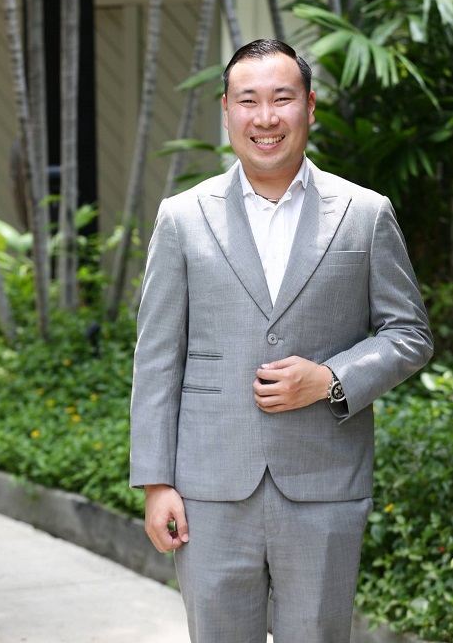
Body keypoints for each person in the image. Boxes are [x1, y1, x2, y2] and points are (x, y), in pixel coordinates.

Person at [130, 39, 433, 643]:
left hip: (324, 486)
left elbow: (410, 333)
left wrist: (331, 379)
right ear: (226, 110)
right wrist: (156, 483)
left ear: (310, 107)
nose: (265, 117)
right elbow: (158, 358)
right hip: (209, 492)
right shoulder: (182, 217)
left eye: (282, 98)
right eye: (248, 100)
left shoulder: (364, 212)